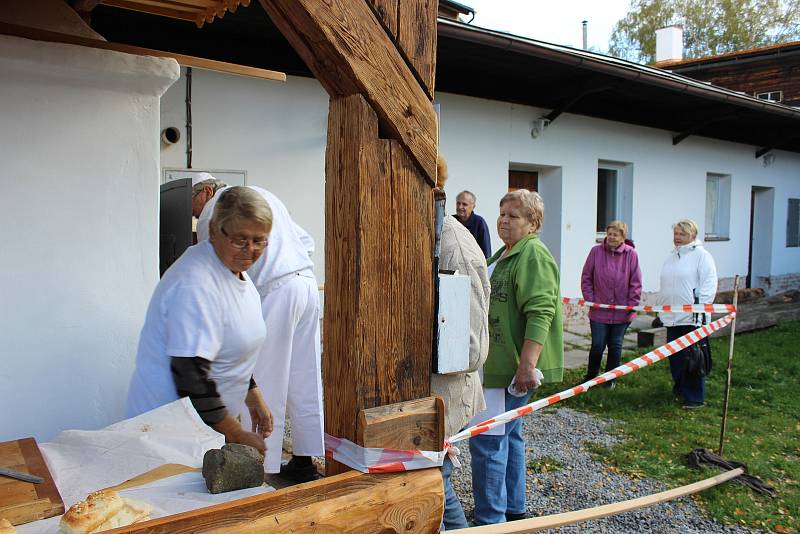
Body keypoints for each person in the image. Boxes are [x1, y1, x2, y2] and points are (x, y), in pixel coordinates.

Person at [127, 187, 274, 454]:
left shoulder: (235, 270)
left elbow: (231, 343)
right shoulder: (196, 284)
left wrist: (253, 396)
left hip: (204, 424)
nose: (250, 250)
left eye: (259, 241)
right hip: (168, 430)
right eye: (240, 239)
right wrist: (234, 431)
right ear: (216, 230)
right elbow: (189, 373)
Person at [196, 179, 324, 481]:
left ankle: (260, 467)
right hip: (305, 284)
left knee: (265, 383)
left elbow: (217, 266)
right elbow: (306, 242)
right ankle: (304, 460)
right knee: (303, 376)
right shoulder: (264, 194)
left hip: (275, 291)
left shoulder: (213, 213)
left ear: (204, 194)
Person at [470, 189, 564, 525]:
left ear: (533, 223)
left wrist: (528, 364)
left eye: (514, 215)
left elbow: (541, 311)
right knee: (509, 435)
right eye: (502, 213)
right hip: (498, 364)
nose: (504, 220)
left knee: (488, 441)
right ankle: (512, 508)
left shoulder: (532, 255)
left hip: (509, 368)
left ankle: (489, 520)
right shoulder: (505, 253)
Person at [433, 155, 491, 530]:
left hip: (445, 388)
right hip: (431, 387)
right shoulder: (429, 232)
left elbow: (464, 349)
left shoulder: (453, 246)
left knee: (437, 480)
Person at [658, 219, 718, 409]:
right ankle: (681, 388)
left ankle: (695, 397)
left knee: (694, 357)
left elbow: (709, 284)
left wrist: (699, 308)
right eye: (675, 234)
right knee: (675, 356)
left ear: (692, 236)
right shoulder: (671, 256)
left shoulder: (702, 256)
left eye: (682, 234)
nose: (677, 238)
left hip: (692, 317)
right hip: (672, 316)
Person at [580, 220, 642, 387]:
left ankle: (609, 380)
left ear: (623, 237)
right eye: (609, 234)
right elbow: (586, 277)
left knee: (615, 346)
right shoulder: (596, 252)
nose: (612, 237)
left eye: (616, 234)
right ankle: (591, 377)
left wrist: (631, 305)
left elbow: (636, 282)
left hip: (623, 312)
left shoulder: (631, 254)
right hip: (599, 310)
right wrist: (590, 299)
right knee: (598, 345)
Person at [454, 190, 492, 258]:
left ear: (473, 206)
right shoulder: (451, 221)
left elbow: (486, 252)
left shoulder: (479, 222)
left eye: (464, 204)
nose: (460, 207)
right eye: (458, 203)